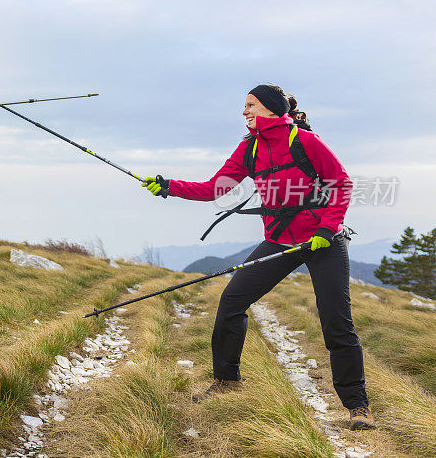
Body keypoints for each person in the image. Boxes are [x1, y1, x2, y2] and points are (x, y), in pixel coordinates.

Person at [142, 84, 374, 430]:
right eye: (244, 106)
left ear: (269, 108)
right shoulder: (248, 149)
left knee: (336, 321)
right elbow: (213, 190)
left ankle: (358, 407)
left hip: (323, 242)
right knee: (232, 301)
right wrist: (169, 186)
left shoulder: (304, 141)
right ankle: (227, 381)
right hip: (280, 241)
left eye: (250, 105)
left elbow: (340, 183)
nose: (245, 111)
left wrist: (327, 229)